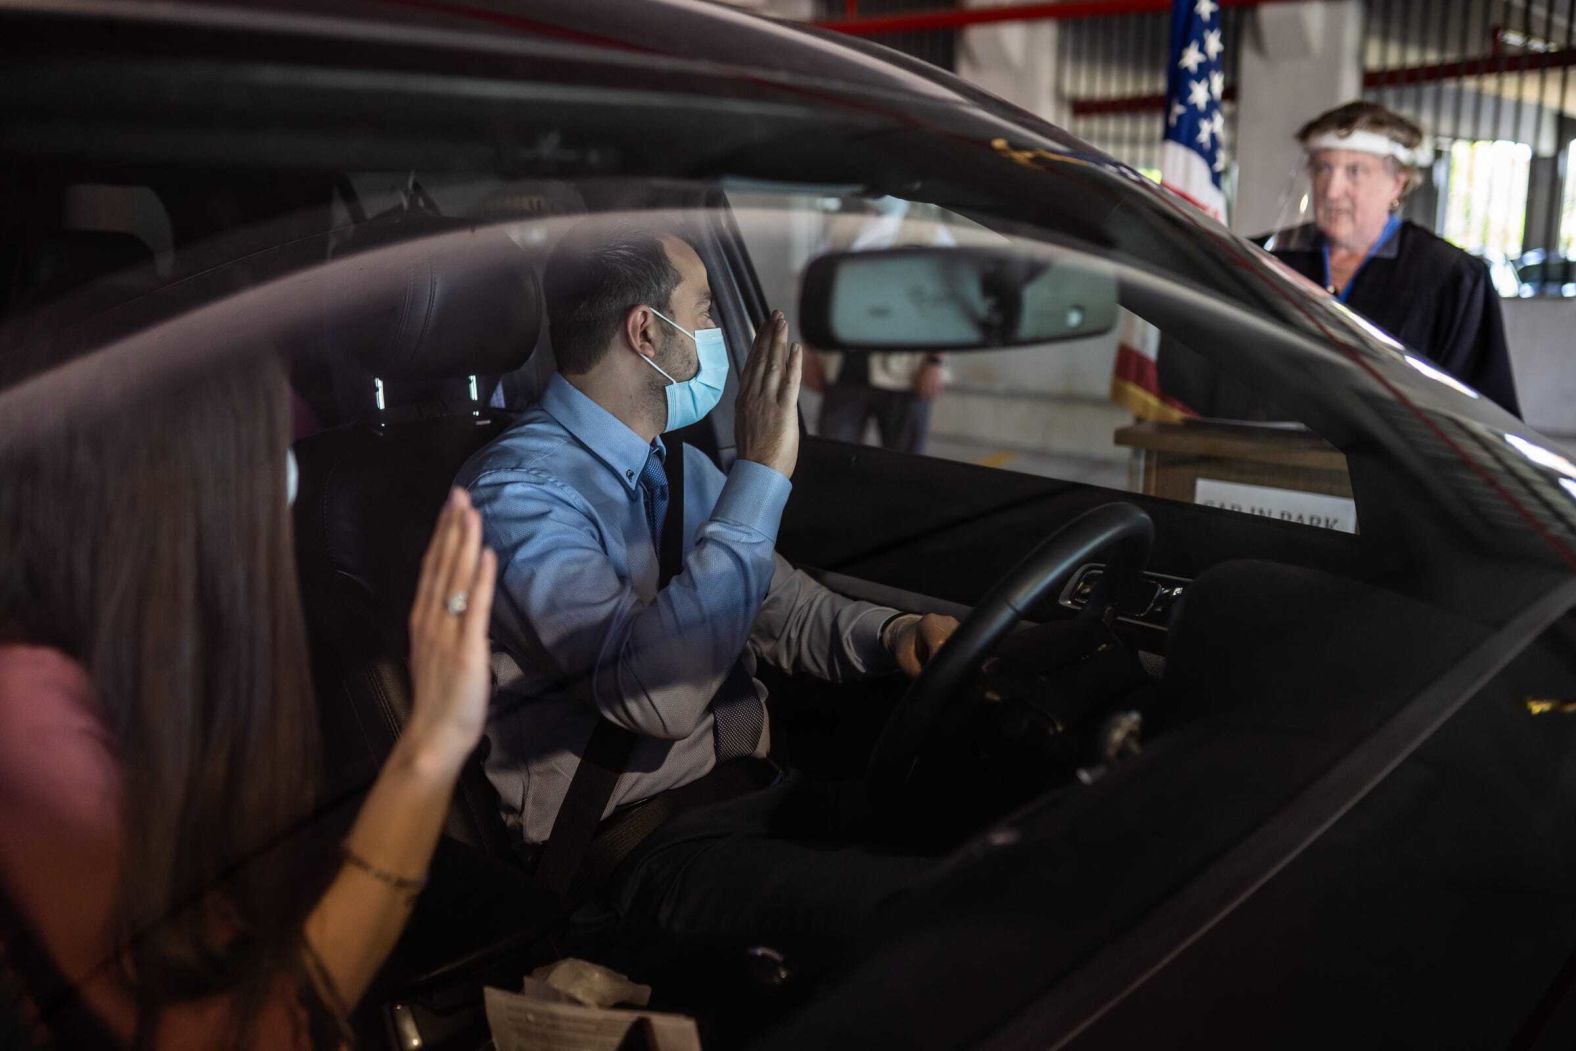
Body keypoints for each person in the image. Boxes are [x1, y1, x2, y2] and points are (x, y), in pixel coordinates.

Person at [456, 218, 960, 960]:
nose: (724, 333)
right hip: (634, 853)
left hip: (751, 795)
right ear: (646, 333)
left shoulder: (678, 471)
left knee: (979, 850)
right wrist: (761, 473)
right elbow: (655, 695)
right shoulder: (518, 497)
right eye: (707, 313)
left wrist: (893, 634)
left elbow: (786, 610)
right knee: (915, 927)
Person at [0, 344, 498, 1047]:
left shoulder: (116, 662)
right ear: (184, 491)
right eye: (272, 457)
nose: (286, 487)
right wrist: (433, 744)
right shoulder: (26, 714)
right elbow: (238, 1034)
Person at [1266, 100, 1520, 415]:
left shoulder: (1450, 277)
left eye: (1354, 172)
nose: (1331, 191)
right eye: (1323, 169)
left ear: (1396, 182)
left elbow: (1482, 413)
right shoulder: (1271, 257)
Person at [804, 198, 951, 453]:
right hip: (844, 369)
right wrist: (810, 354)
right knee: (834, 461)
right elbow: (817, 292)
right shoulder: (842, 228)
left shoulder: (930, 232)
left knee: (906, 466)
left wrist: (935, 362)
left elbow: (946, 301)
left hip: (904, 374)